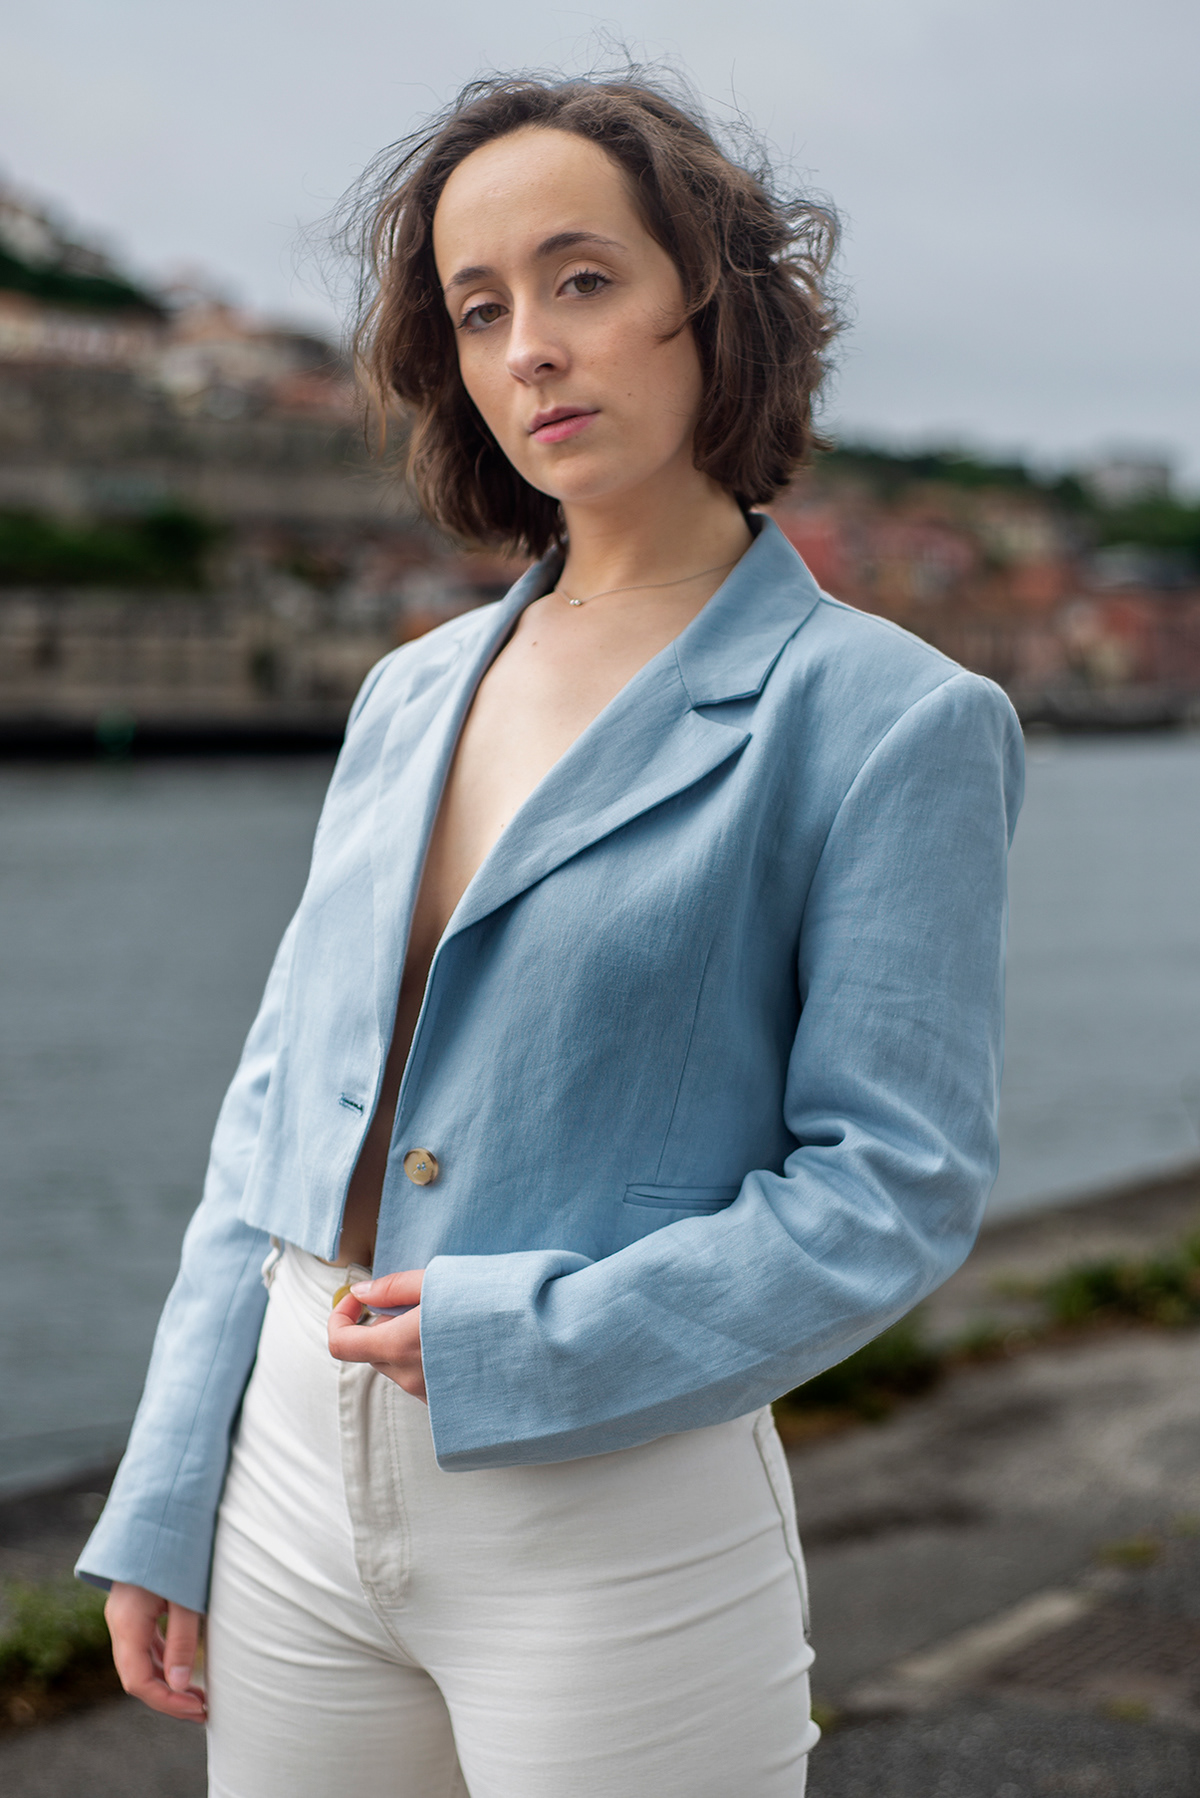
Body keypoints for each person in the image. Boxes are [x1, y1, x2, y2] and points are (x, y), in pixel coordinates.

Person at [78, 71, 1023, 1798]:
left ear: (712, 301)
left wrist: (536, 1338)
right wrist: (169, 1483)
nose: (530, 349)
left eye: (581, 278)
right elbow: (275, 1113)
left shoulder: (891, 718)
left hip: (611, 1512)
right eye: (479, 308)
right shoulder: (406, 691)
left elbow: (895, 1183)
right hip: (285, 1478)